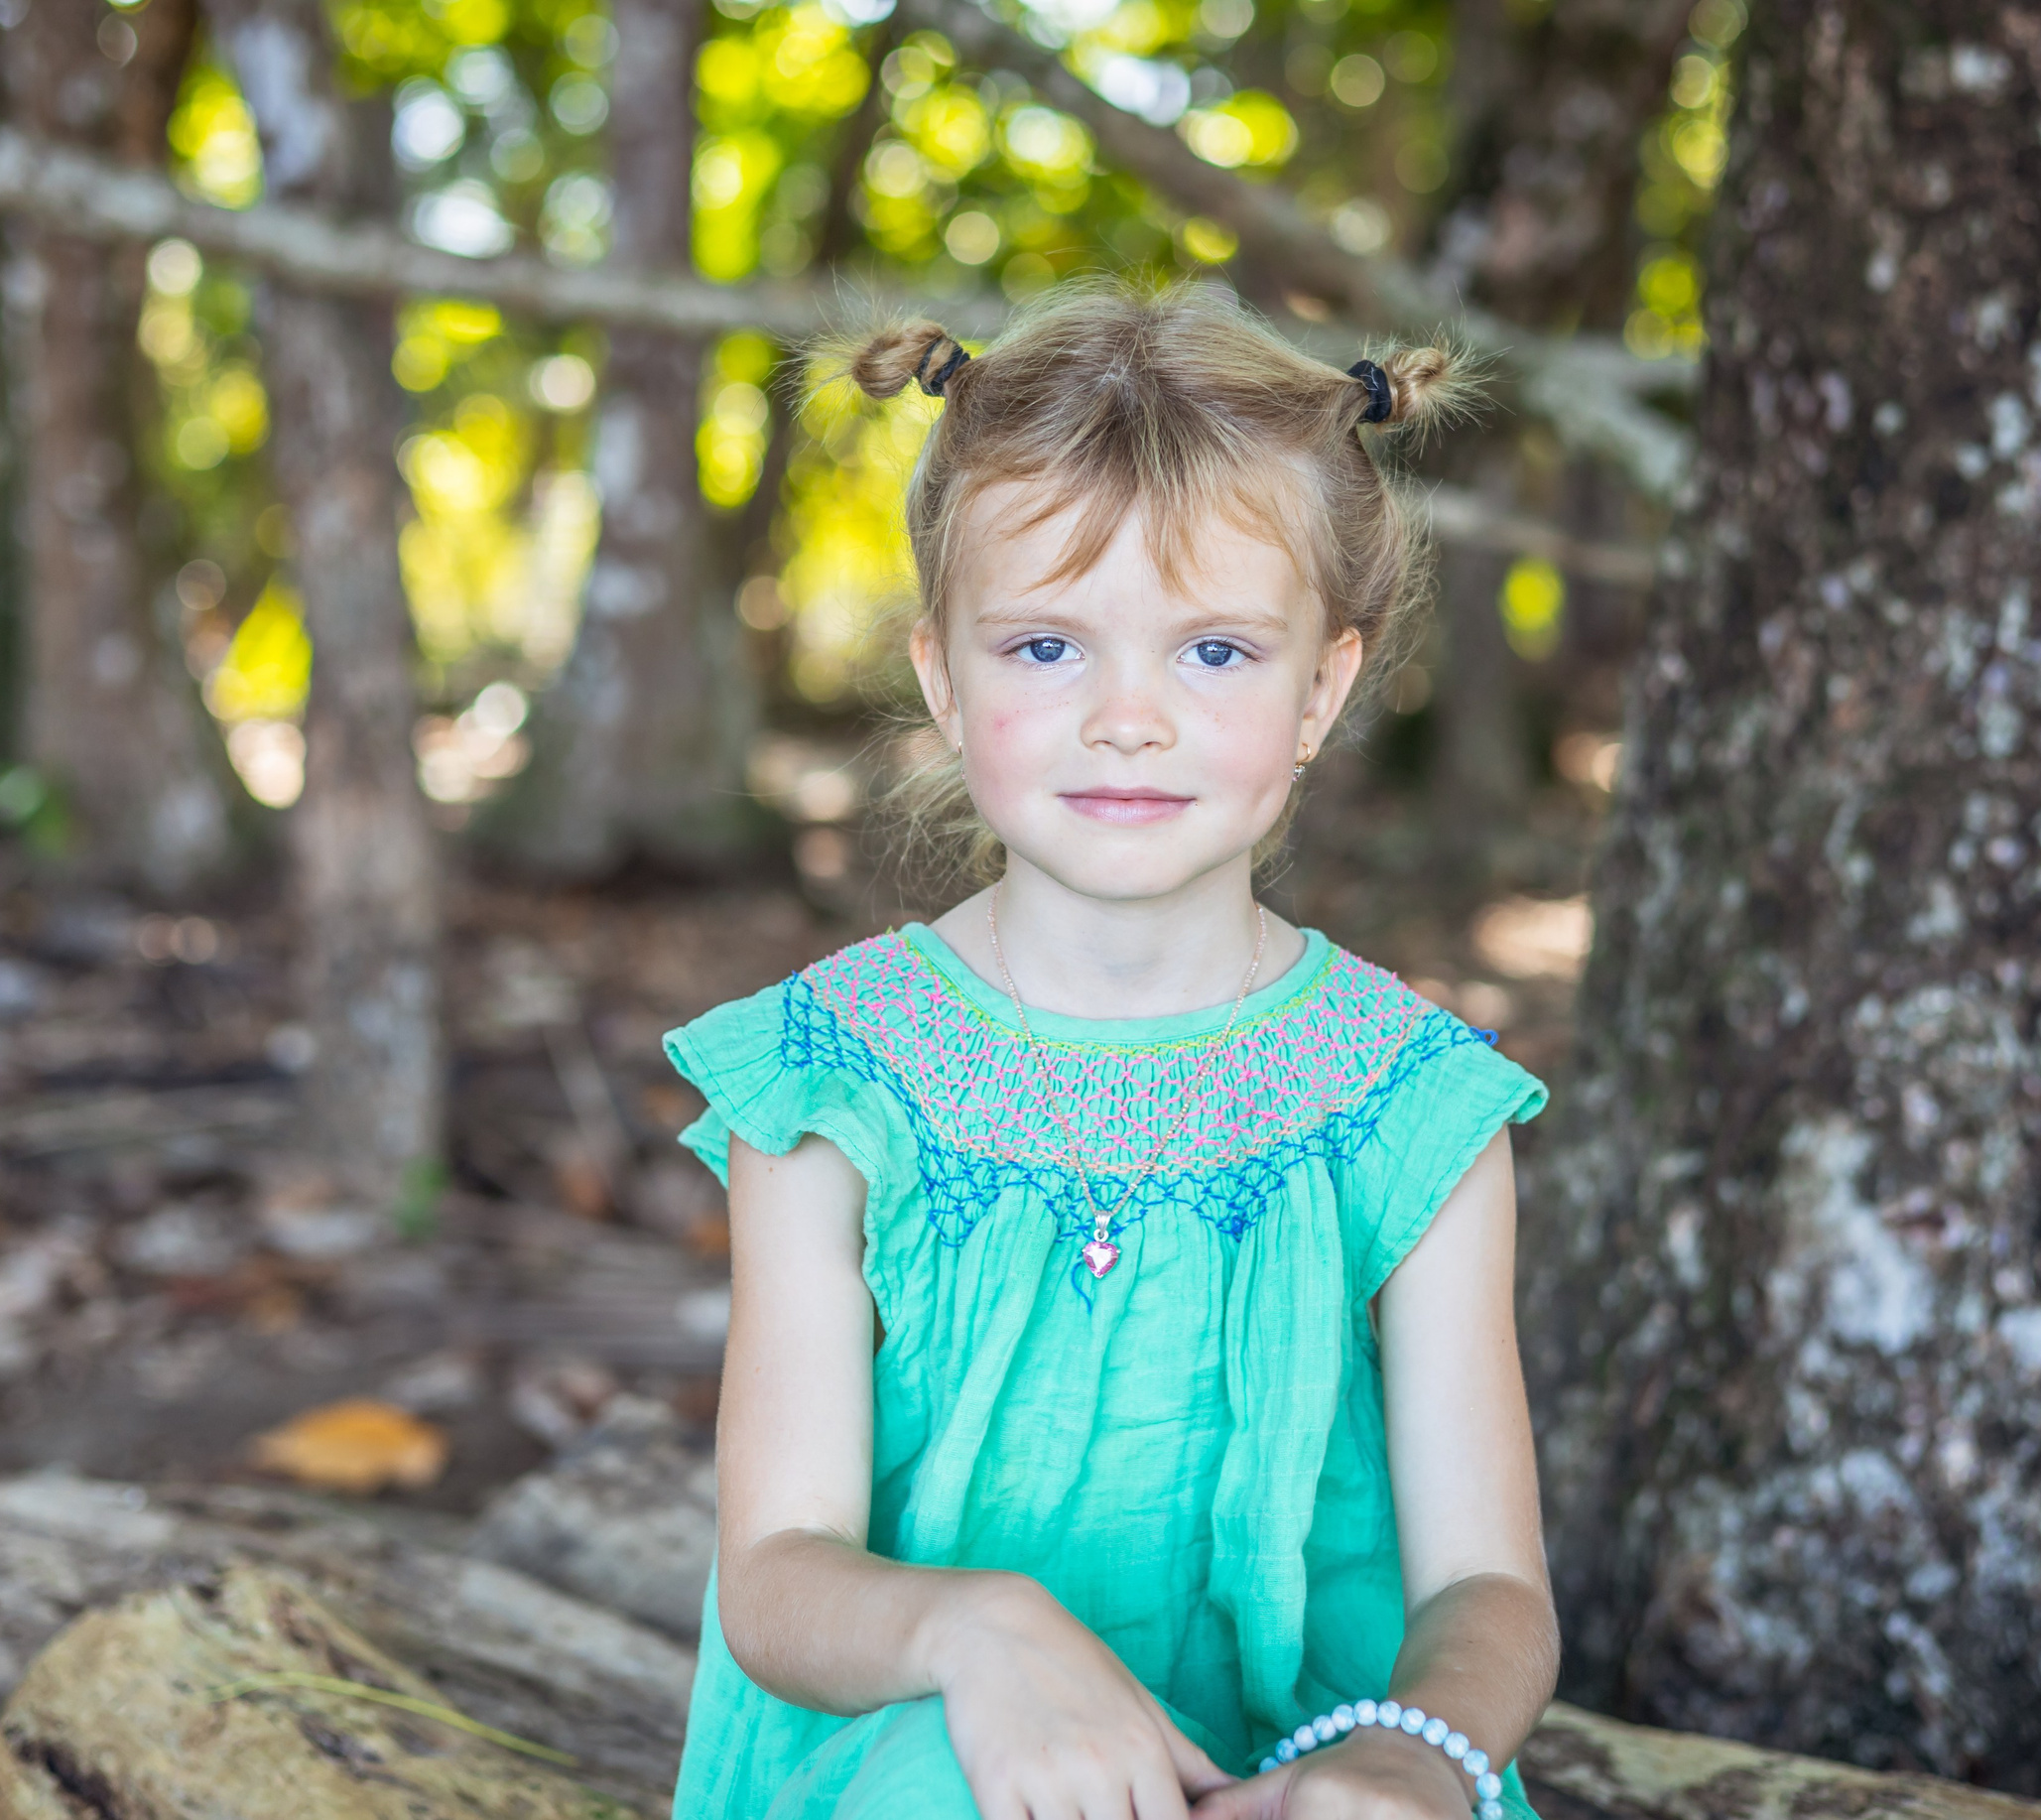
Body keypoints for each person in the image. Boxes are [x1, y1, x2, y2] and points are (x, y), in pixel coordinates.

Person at [660, 281, 1560, 1820]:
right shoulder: (831, 1083)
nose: (1127, 717)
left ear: (1322, 689)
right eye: (1046, 647)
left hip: (1312, 1770)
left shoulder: (1409, 1106)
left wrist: (1407, 1757)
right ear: (942, 672)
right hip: (930, 1759)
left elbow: (1489, 1582)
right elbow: (775, 1576)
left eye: (1214, 652)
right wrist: (982, 1631)